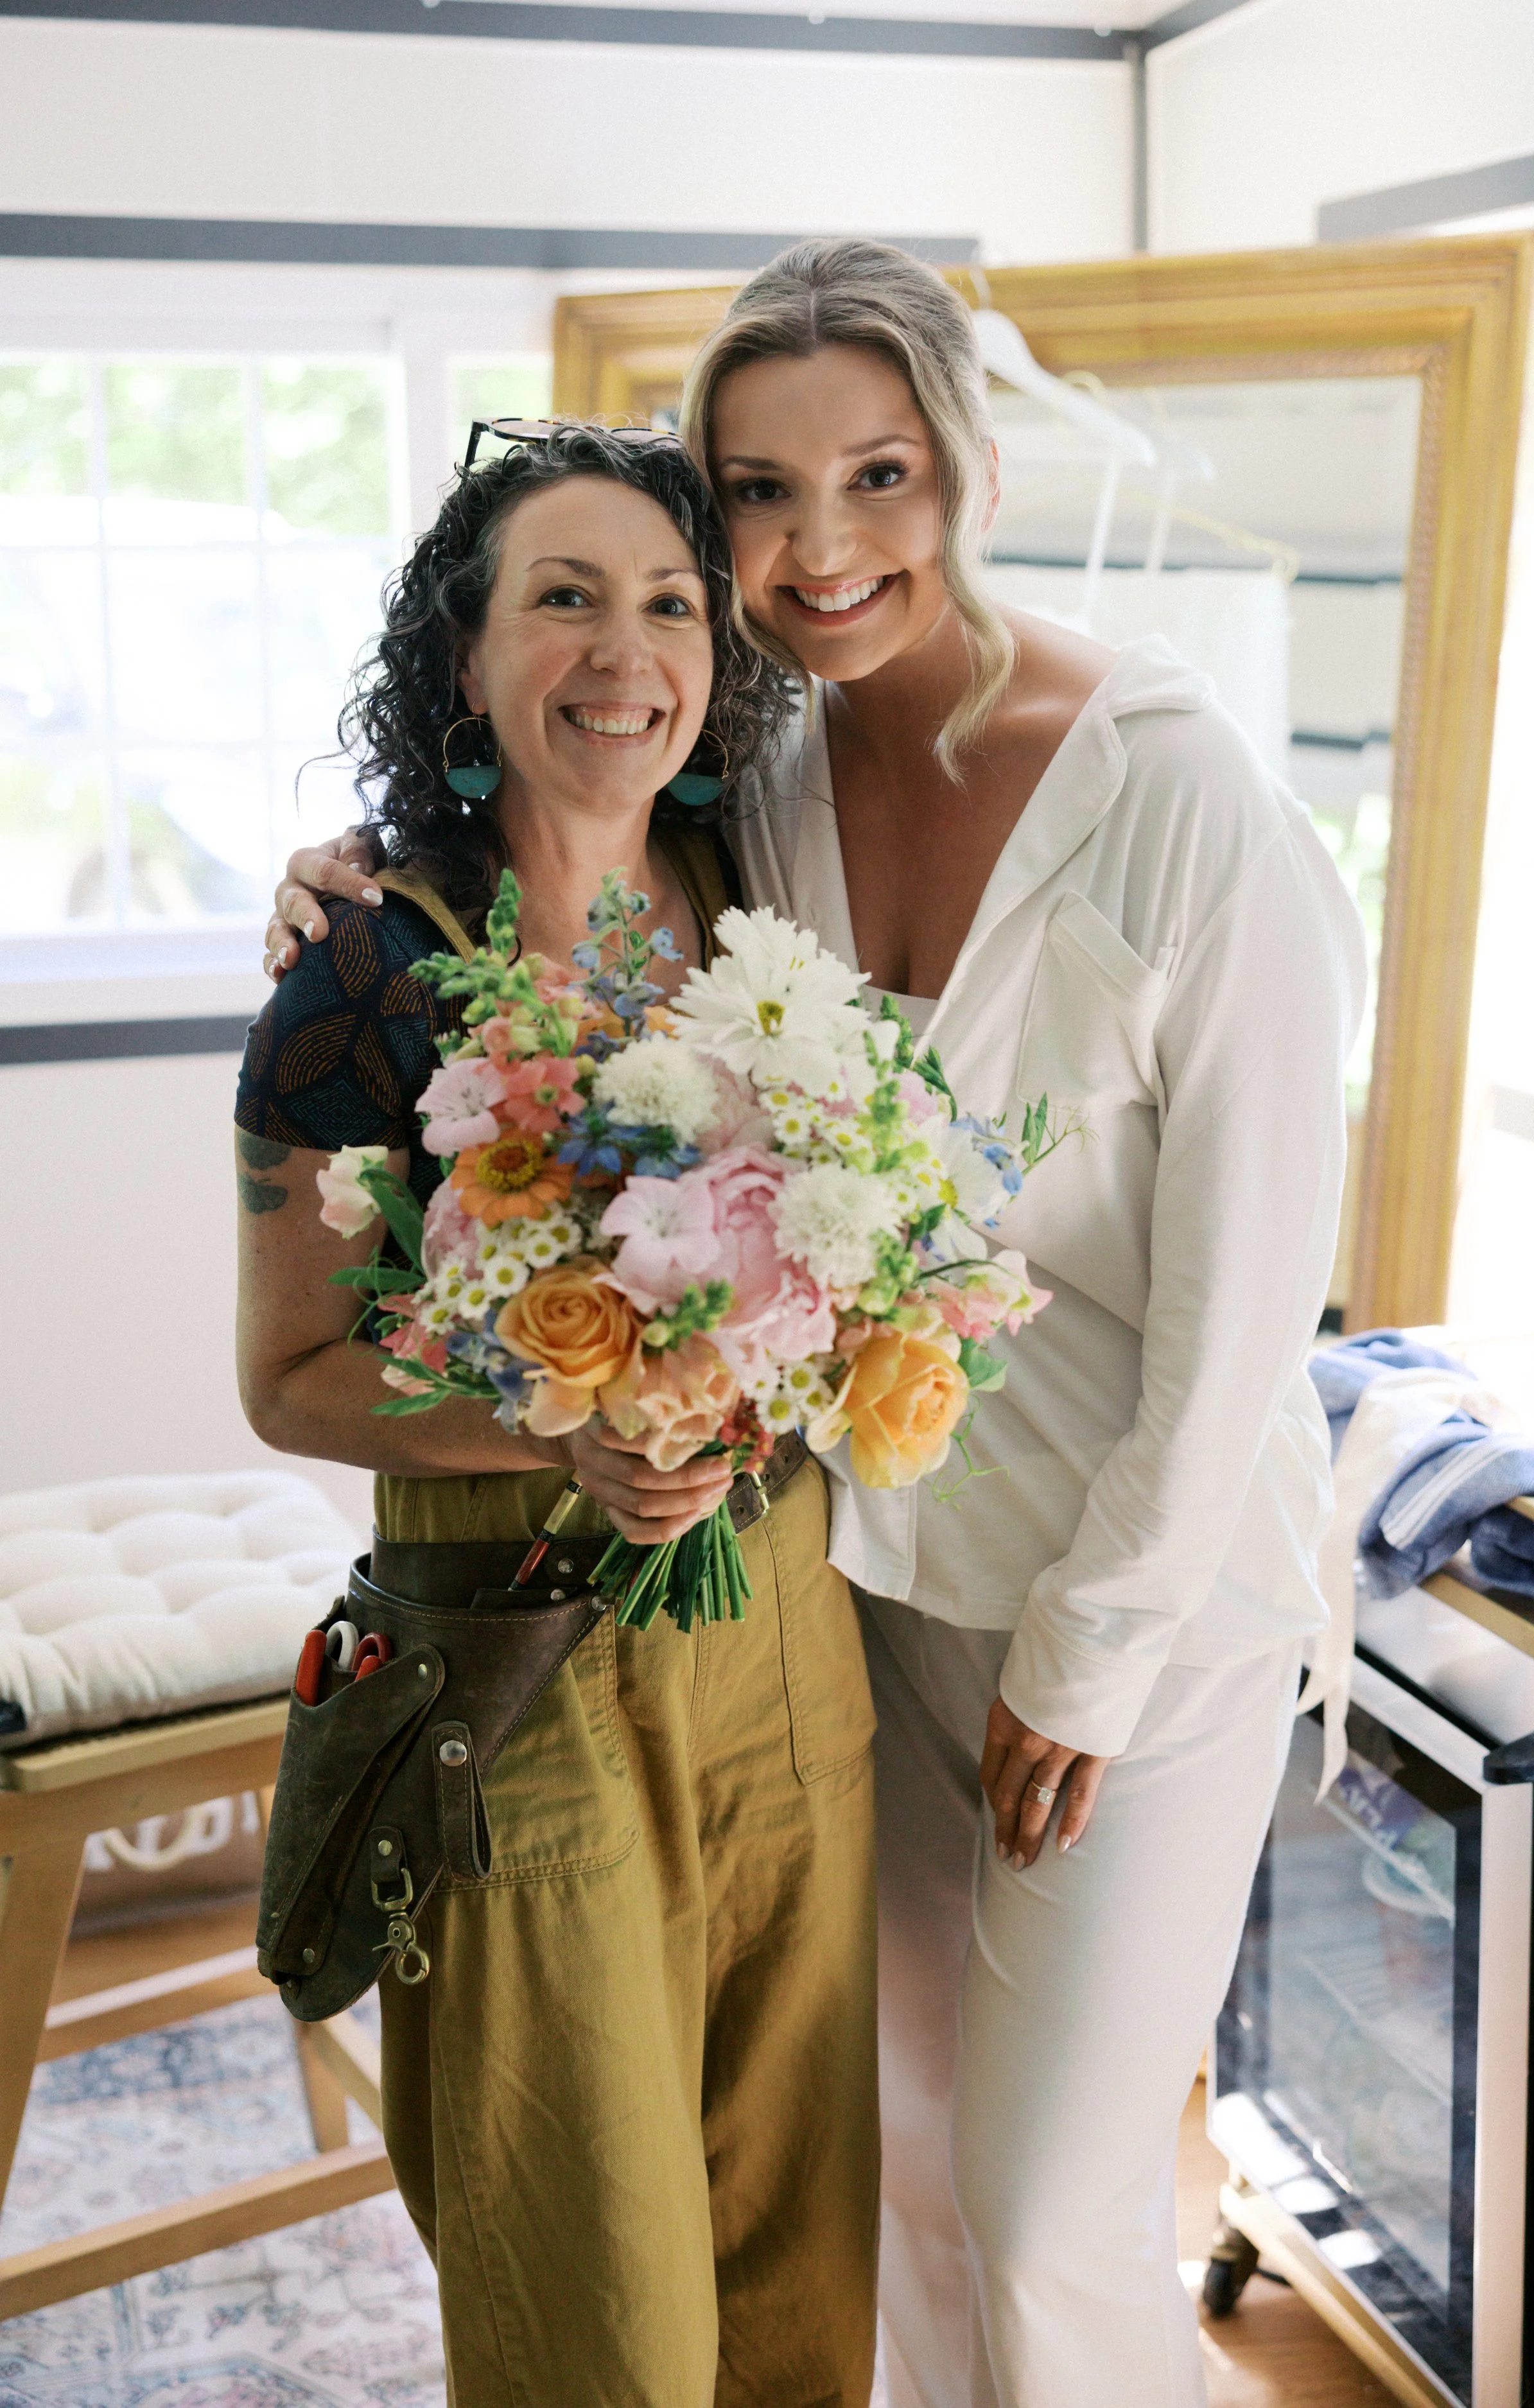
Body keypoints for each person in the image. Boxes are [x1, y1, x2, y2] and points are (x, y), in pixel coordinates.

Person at [268, 243, 1366, 2408]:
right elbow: (538, 811)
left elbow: (1252, 1300)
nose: (819, 542)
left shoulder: (1175, 791)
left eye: (876, 471)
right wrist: (353, 864)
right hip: (856, 1587)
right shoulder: (749, 789)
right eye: (755, 493)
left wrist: (1094, 1645)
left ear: (960, 464)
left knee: (1056, 2215)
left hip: (1135, 1609)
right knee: (913, 2183)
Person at [236, 422, 880, 2408]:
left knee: (796, 2260)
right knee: (587, 2299)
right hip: (512, 1669)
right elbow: (287, 1380)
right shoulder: (363, 966)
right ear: (466, 657)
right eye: (564, 596)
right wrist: (572, 1424)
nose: (625, 650)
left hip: (784, 1647)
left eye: (671, 601)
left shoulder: (755, 901)